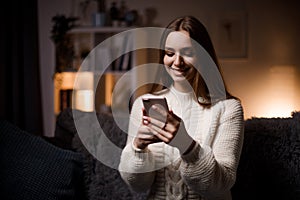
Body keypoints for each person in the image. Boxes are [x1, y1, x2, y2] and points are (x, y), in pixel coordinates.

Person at [118, 15, 244, 200]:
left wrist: (187, 145)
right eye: (169, 54)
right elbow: (138, 186)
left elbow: (220, 185)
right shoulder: (144, 104)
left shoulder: (228, 108)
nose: (177, 62)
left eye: (187, 53)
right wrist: (138, 147)